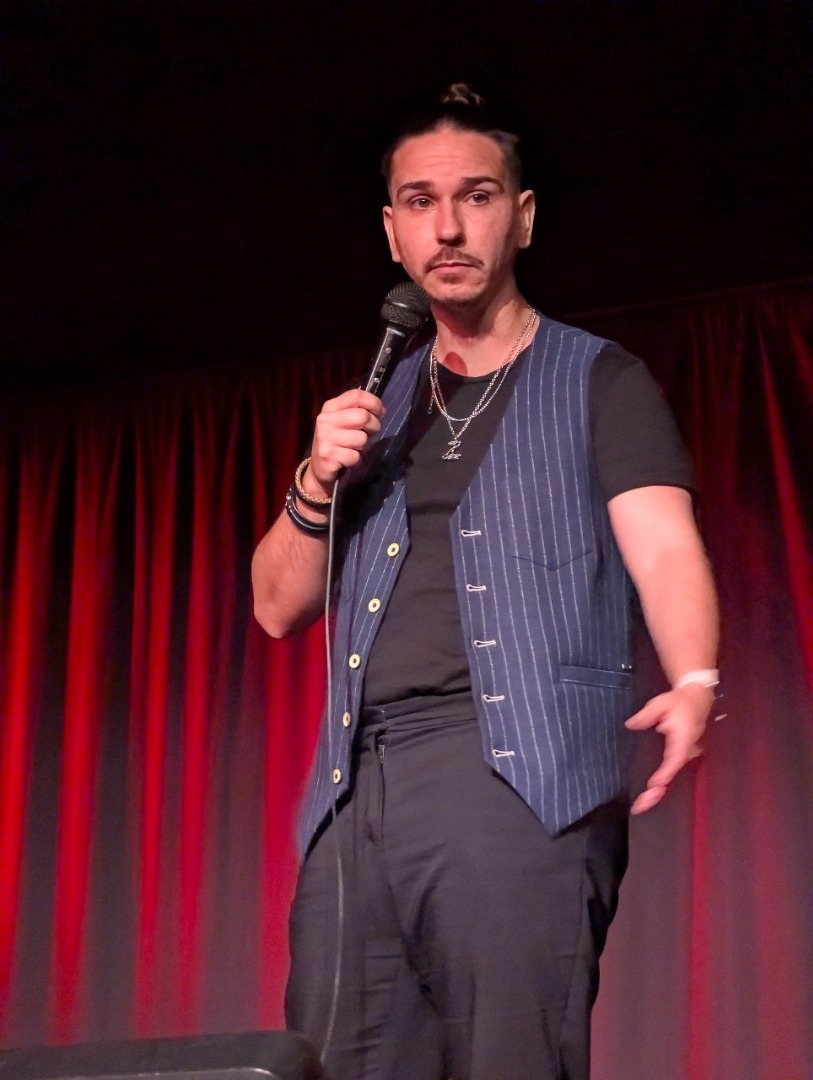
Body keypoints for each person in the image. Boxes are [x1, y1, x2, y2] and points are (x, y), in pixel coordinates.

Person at [251, 84, 719, 1080]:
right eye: (419, 203)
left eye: (476, 196)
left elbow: (664, 544)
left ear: (524, 215)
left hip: (513, 771)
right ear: (391, 232)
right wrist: (314, 481)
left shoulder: (598, 379)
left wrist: (693, 678)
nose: (449, 227)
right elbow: (276, 606)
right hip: (357, 785)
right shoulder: (376, 409)